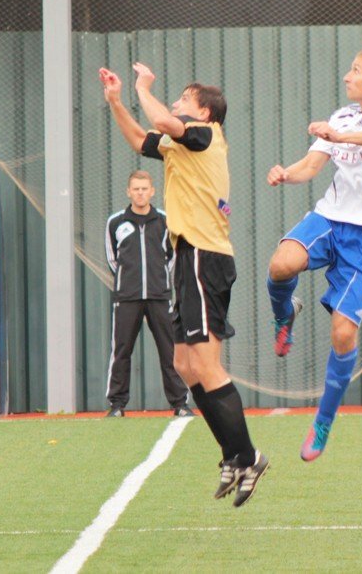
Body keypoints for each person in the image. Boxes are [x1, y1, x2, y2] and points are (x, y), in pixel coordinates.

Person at [99, 63, 268, 507]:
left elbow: (159, 120)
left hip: (205, 256)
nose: (175, 104)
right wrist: (117, 101)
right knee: (184, 363)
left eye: (184, 101)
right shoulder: (180, 146)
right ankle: (232, 454)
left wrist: (142, 87)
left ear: (204, 113)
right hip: (189, 258)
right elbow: (140, 138)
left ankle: (249, 456)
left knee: (207, 365)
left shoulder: (206, 136)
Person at [264, 48, 362, 462]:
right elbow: (312, 165)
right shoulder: (342, 116)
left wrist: (338, 135)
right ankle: (284, 315)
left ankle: (324, 421)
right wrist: (287, 174)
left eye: (356, 71)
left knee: (344, 333)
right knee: (281, 264)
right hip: (329, 219)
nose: (348, 76)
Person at [104, 170, 193, 419]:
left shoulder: (165, 221)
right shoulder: (116, 222)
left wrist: (159, 278)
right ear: (128, 191)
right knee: (121, 350)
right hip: (127, 297)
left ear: (152, 191)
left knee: (170, 350)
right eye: (136, 189)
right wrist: (127, 280)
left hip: (159, 295)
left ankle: (180, 403)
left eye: (145, 189)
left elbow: (172, 256)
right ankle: (117, 405)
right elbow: (112, 258)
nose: (140, 193)